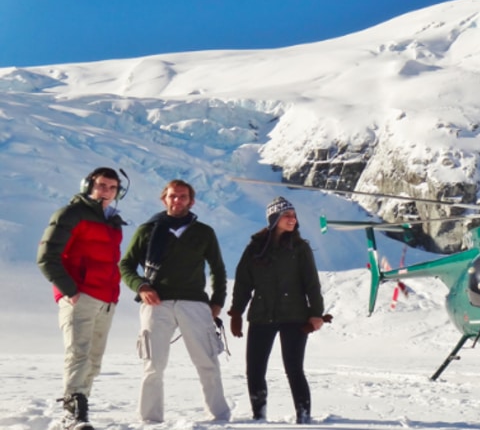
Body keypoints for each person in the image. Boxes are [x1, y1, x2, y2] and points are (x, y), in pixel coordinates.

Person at [119, 179, 230, 423]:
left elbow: (218, 269)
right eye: (172, 196)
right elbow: (125, 265)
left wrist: (217, 302)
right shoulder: (147, 230)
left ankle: (219, 418)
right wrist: (141, 286)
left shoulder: (204, 232)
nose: (177, 200)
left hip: (195, 303)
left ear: (191, 201)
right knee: (152, 365)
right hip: (156, 304)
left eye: (182, 196)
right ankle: (149, 420)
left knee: (207, 362)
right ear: (164, 199)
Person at [36, 167, 126, 429]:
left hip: (106, 300)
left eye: (112, 187)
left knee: (94, 360)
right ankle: (71, 414)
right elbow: (46, 257)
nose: (106, 191)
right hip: (81, 296)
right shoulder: (71, 214)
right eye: (101, 185)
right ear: (88, 186)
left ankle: (79, 409)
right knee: (79, 354)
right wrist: (70, 290)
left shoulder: (113, 221)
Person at [228, 196, 325, 424]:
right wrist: (236, 313)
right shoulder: (255, 248)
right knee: (254, 369)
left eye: (293, 215)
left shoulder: (301, 248)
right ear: (274, 219)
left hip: (295, 316)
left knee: (294, 368)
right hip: (262, 315)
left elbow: (312, 283)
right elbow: (243, 282)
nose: (292, 219)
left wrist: (316, 313)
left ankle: (304, 417)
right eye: (287, 215)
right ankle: (258, 416)